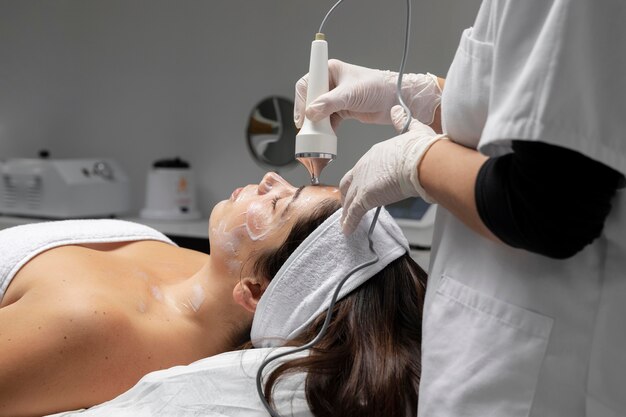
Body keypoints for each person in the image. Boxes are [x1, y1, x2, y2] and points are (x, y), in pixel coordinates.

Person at [294, 1, 626, 416]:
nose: (273, 180)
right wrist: (428, 98)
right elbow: (538, 108)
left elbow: (552, 206)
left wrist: (417, 162)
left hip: (543, 376)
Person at [0, 172, 427, 417]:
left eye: (279, 204)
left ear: (255, 292)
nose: (270, 180)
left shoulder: (93, 326)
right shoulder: (195, 267)